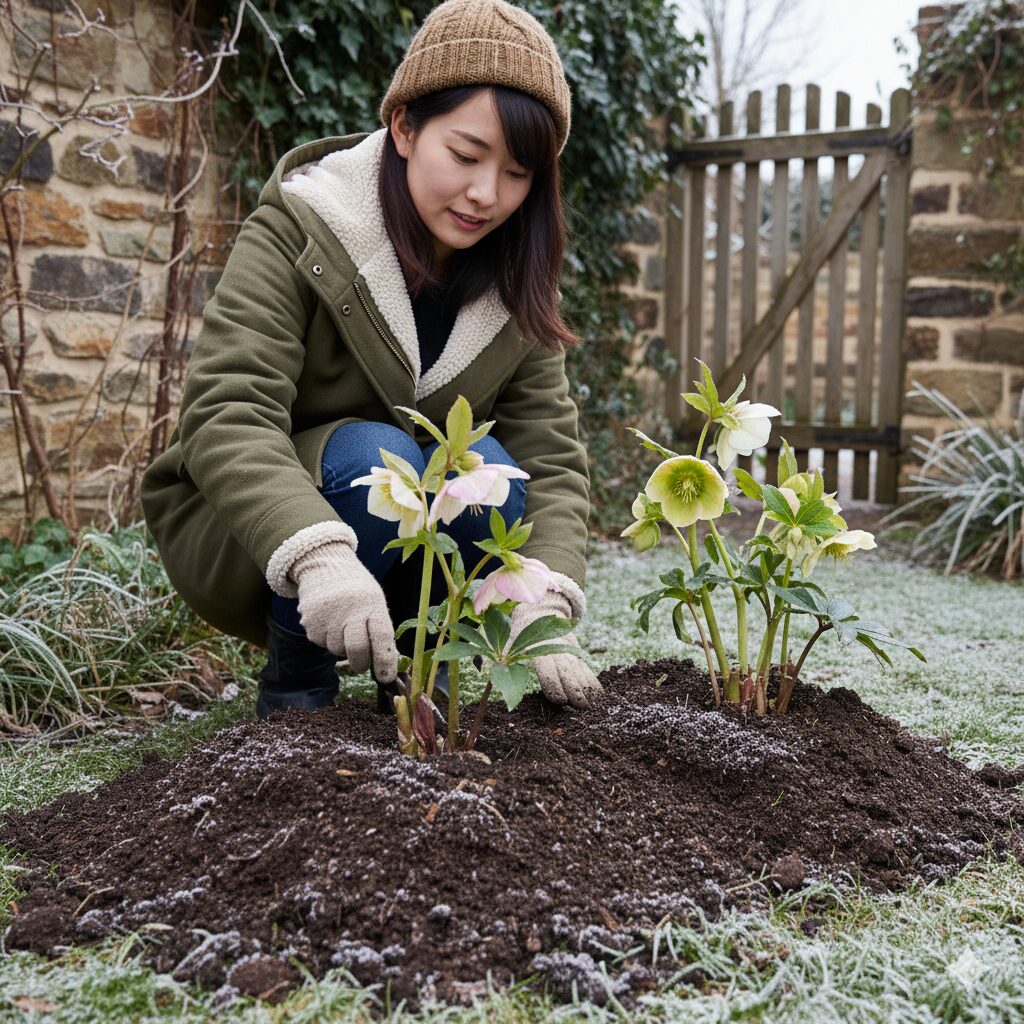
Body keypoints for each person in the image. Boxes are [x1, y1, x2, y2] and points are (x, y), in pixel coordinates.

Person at [140, 0, 603, 720]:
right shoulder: (304, 228)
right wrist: (319, 557)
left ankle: (424, 686)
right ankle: (297, 694)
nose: (487, 195)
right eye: (467, 155)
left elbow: (551, 459)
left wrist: (540, 598)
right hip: (256, 532)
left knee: (493, 475)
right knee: (382, 456)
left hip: (411, 545)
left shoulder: (515, 285)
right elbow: (227, 414)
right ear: (405, 127)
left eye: (516, 174)